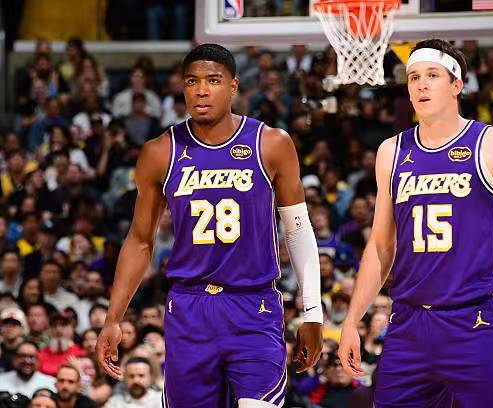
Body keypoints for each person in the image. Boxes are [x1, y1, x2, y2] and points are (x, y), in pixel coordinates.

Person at [338, 39, 493, 407]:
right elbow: (380, 247)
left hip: (475, 320)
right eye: (413, 77)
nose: (421, 85)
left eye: (432, 75)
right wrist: (351, 320)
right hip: (408, 323)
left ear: (456, 85)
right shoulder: (391, 152)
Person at [96, 43, 323, 407]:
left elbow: (297, 230)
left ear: (233, 87)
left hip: (254, 305)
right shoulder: (160, 151)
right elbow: (140, 241)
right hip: (190, 308)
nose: (201, 90)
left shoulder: (271, 143)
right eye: (192, 81)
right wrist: (113, 318)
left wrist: (313, 313)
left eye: (213, 80)